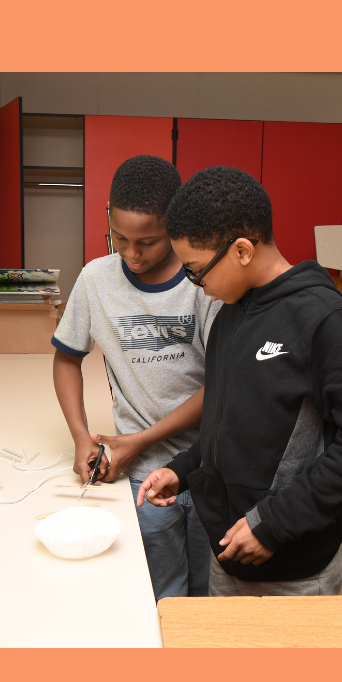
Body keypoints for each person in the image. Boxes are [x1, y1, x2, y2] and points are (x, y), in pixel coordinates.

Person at [137, 166, 342, 596]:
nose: (196, 284)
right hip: (229, 551)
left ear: (243, 251)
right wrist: (181, 470)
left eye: (197, 270)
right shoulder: (231, 313)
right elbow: (227, 427)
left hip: (295, 567)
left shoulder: (324, 319)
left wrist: (273, 525)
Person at [52, 154, 218, 599]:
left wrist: (140, 440)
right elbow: (67, 359)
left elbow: (224, 384)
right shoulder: (95, 280)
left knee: (208, 596)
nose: (131, 252)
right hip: (141, 475)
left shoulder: (205, 282)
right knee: (160, 592)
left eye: (149, 241)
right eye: (119, 237)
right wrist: (81, 435)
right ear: (106, 212)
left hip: (210, 465)